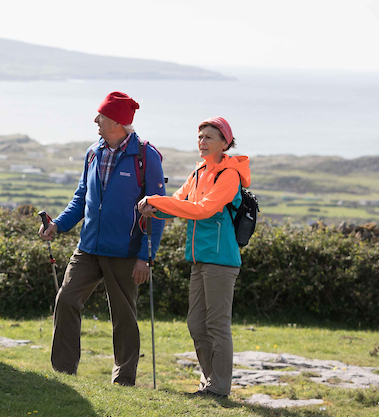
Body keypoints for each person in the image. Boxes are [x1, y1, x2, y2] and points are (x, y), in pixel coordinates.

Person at [39, 91, 166, 386]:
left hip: (125, 252)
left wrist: (146, 258)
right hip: (88, 248)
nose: (96, 120)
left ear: (119, 122)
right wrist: (58, 225)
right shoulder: (93, 152)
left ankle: (124, 380)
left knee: (123, 317)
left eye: (102, 116)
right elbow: (81, 198)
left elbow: (157, 209)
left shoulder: (146, 156)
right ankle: (63, 374)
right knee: (66, 300)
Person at [137, 117, 250, 398]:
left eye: (209, 137)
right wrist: (155, 209)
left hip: (221, 259)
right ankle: (210, 381)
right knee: (196, 324)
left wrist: (156, 200)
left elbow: (202, 210)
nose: (202, 142)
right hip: (199, 258)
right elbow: (179, 201)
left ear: (225, 143)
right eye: (200, 137)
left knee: (217, 324)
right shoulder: (199, 171)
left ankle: (219, 387)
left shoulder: (229, 175)